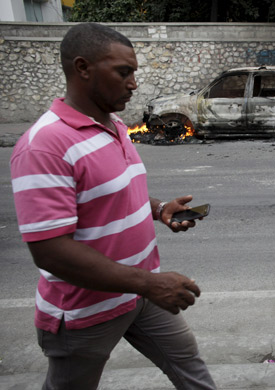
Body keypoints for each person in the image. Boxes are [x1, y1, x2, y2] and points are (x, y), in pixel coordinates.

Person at [10, 23, 216, 389]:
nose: (133, 83)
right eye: (124, 72)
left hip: (139, 296)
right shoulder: (44, 145)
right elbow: (50, 251)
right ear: (83, 68)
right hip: (85, 312)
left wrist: (158, 208)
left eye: (133, 72)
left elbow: (110, 193)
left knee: (192, 370)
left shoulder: (114, 124)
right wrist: (149, 284)